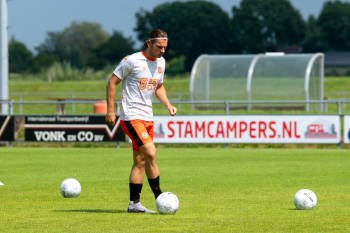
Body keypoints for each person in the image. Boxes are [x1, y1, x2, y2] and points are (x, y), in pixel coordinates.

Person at [105, 29, 177, 213]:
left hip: (148, 117)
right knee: (151, 154)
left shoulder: (161, 62)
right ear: (149, 43)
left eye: (165, 48)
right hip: (131, 117)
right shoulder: (132, 60)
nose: (162, 51)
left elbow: (158, 86)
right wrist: (111, 111)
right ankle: (160, 198)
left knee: (141, 161)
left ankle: (134, 204)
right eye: (159, 47)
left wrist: (168, 104)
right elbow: (112, 82)